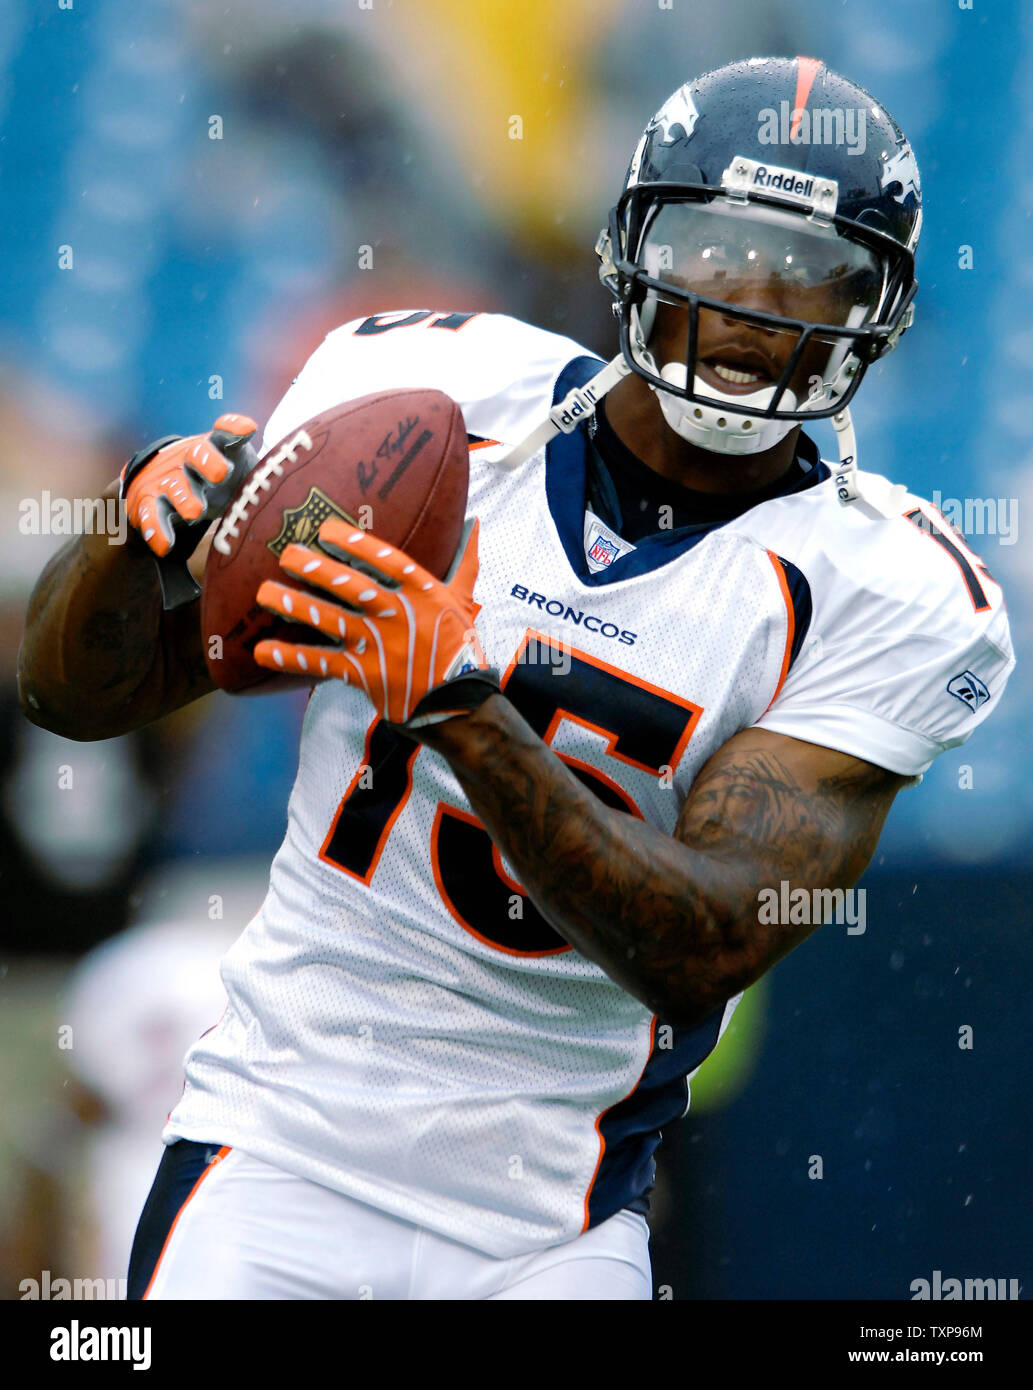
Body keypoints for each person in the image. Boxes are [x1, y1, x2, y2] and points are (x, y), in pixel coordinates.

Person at [18, 57, 1014, 1301]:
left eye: (815, 276)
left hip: (555, 1219)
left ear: (883, 311)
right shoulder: (435, 404)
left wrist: (459, 705)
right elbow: (73, 695)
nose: (758, 311)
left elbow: (702, 943)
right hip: (279, 1149)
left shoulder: (889, 589)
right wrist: (127, 540)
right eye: (717, 254)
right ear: (633, 245)